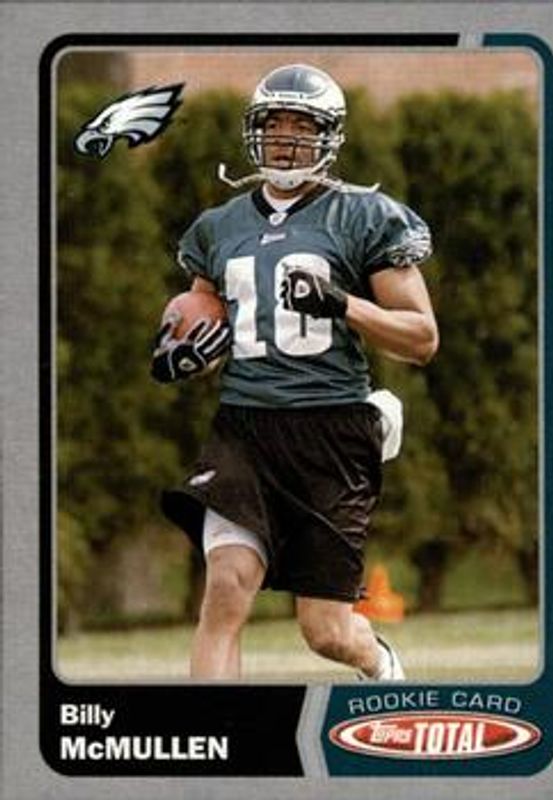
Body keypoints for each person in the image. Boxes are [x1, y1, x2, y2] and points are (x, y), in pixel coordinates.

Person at [152, 63, 439, 681]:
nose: (285, 139)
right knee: (226, 588)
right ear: (253, 131)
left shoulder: (365, 216)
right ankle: (215, 733)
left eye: (301, 127)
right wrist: (186, 353)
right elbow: (207, 318)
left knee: (326, 631)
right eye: (274, 124)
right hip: (245, 428)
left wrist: (342, 303)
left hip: (330, 432)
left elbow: (422, 337)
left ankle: (378, 661)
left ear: (328, 137)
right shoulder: (218, 227)